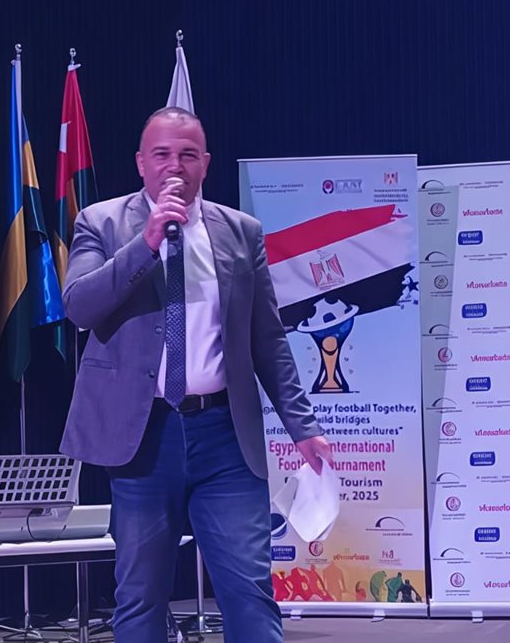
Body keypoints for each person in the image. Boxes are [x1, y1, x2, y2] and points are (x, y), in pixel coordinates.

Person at [60, 107, 333, 642]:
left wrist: (302, 426)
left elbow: (268, 338)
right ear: (141, 163)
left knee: (249, 589)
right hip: (144, 437)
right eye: (162, 154)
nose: (175, 166)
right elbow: (80, 307)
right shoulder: (101, 222)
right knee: (140, 595)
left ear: (206, 163)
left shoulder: (241, 232)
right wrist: (146, 243)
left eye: (187, 155)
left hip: (225, 436)